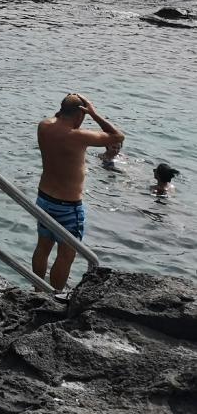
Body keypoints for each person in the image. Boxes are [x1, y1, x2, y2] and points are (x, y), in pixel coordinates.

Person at [33, 94, 124, 293]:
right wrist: (94, 114)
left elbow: (59, 116)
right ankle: (53, 298)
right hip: (68, 205)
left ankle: (37, 291)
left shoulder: (44, 126)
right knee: (66, 255)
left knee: (43, 246)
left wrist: (71, 109)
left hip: (44, 199)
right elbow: (118, 137)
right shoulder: (78, 136)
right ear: (81, 115)